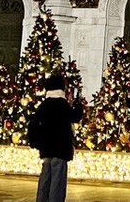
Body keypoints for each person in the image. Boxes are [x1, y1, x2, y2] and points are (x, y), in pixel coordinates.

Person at [27, 73, 83, 202]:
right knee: (57, 182)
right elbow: (75, 117)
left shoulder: (44, 105)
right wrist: (78, 105)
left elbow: (34, 122)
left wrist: (35, 142)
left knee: (45, 178)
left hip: (46, 148)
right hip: (60, 148)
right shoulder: (63, 105)